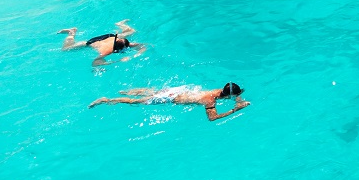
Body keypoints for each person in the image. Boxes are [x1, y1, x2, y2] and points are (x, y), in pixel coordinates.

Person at [90, 82, 249, 120]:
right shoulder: (210, 100)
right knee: (136, 102)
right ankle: (107, 100)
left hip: (178, 90)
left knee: (152, 91)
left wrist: (238, 98)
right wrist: (236, 110)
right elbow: (212, 118)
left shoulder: (218, 90)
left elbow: (232, 93)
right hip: (172, 98)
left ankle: (126, 89)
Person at [59, 21, 144, 66]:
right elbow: (95, 63)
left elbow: (142, 46)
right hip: (93, 42)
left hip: (110, 36)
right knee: (66, 49)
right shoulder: (107, 51)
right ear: (117, 50)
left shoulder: (127, 44)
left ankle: (120, 24)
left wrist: (135, 56)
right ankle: (71, 33)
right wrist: (117, 61)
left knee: (133, 31)